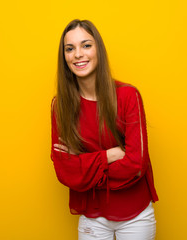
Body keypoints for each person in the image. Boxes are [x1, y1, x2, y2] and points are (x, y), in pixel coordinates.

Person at [51, 19, 159, 240]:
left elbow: (136, 165)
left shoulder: (128, 96)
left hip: (135, 216)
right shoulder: (59, 106)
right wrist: (110, 155)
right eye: (70, 49)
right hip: (93, 216)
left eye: (86, 45)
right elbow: (64, 171)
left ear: (98, 49)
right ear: (64, 58)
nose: (78, 54)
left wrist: (84, 167)